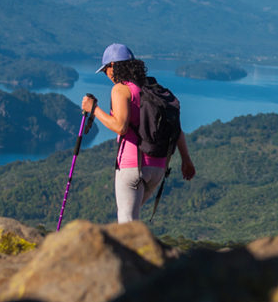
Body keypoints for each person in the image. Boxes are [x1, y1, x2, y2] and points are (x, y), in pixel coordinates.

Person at [81, 43, 196, 223]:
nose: (107, 75)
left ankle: (132, 251)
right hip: (158, 168)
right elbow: (177, 129)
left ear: (113, 66)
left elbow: (120, 127)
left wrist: (94, 109)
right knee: (131, 220)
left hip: (132, 166)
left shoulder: (121, 89)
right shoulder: (152, 89)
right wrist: (186, 161)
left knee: (127, 224)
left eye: (105, 70)